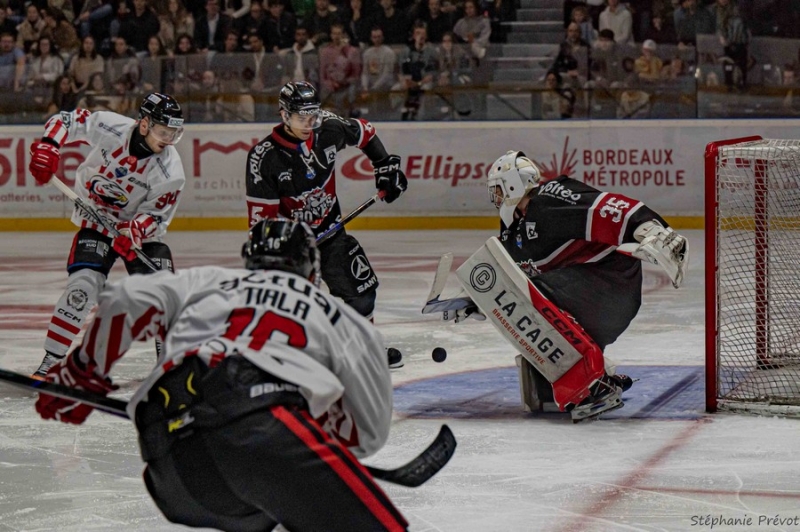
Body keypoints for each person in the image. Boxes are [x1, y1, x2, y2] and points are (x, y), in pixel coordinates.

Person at [34, 219, 409, 532]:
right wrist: (316, 441)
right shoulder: (342, 319)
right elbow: (367, 433)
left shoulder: (208, 281)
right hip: (261, 430)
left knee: (262, 505)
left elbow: (125, 300)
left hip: (170, 465)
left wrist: (82, 372)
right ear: (313, 270)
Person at [440, 150, 688, 420]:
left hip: (610, 288)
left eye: (498, 190)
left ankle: (594, 385)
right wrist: (475, 297)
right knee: (521, 303)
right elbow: (507, 275)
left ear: (513, 185)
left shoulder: (549, 198)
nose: (496, 199)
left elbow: (607, 208)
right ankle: (585, 381)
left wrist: (652, 230)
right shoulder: (514, 228)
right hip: (592, 295)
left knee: (526, 298)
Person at [245, 81, 407, 368]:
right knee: (296, 309)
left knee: (362, 293)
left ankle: (365, 350)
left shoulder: (329, 128)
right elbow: (262, 225)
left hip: (331, 232)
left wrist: (384, 166)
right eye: (301, 117)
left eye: (313, 115)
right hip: (292, 247)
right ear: (284, 115)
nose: (309, 123)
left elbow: (366, 132)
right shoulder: (264, 158)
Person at [29, 92, 186, 378]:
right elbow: (67, 121)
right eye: (164, 132)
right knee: (82, 287)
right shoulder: (111, 126)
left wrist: (135, 230)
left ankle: (171, 368)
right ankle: (50, 362)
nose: (169, 140)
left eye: (175, 133)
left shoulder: (171, 170)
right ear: (144, 124)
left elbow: (157, 216)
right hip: (96, 220)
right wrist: (49, 146)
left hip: (139, 235)